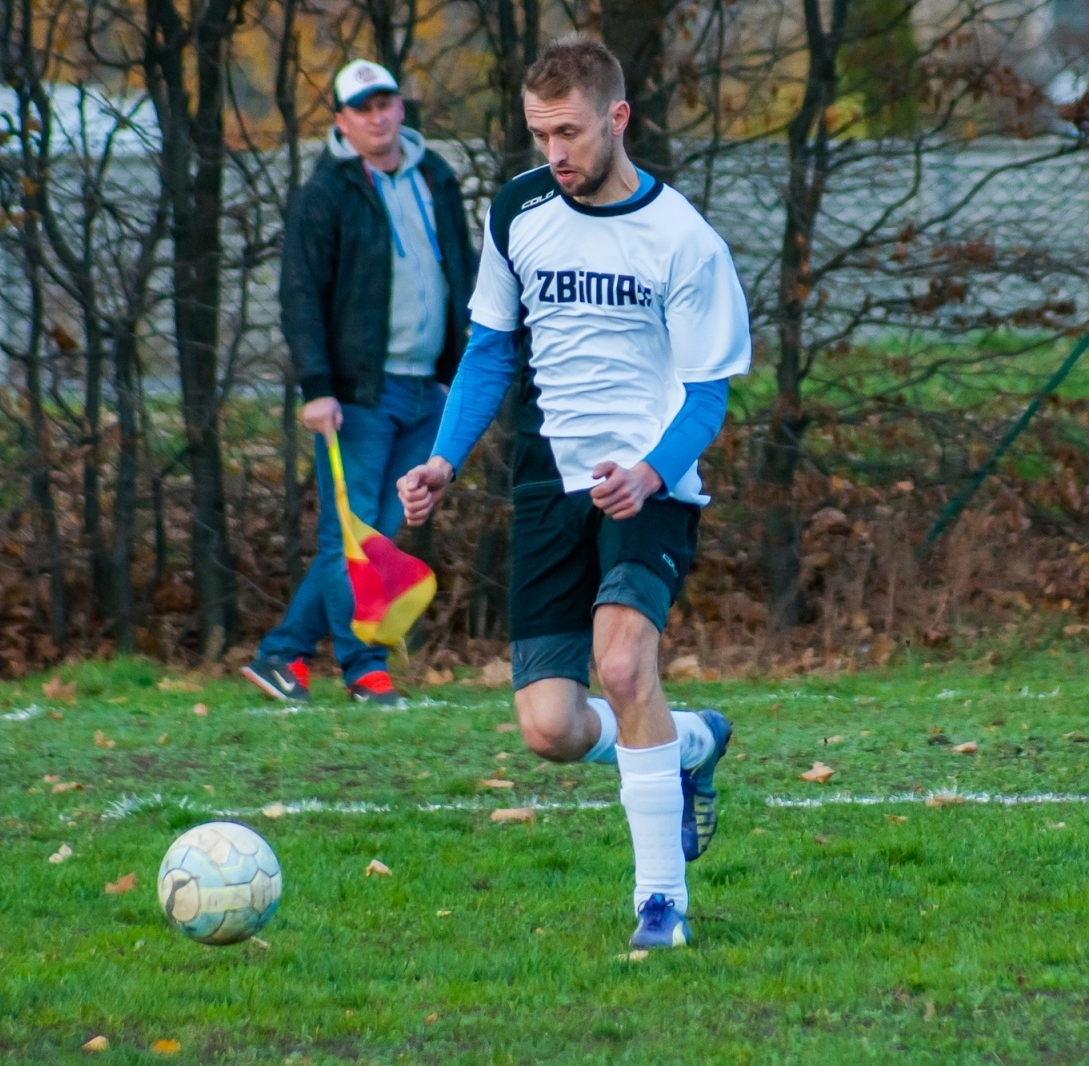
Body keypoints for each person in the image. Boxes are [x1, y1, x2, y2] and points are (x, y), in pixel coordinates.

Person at [397, 34, 750, 949]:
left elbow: (708, 392)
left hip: (649, 485)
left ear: (618, 119)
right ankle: (692, 746)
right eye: (539, 133)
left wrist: (652, 471)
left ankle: (660, 905)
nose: (555, 153)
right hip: (547, 485)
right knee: (550, 728)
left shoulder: (683, 240)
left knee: (626, 669)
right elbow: (489, 349)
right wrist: (443, 459)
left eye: (571, 132)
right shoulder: (517, 210)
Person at [244, 59, 477, 707]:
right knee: (350, 538)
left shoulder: (437, 178)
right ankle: (362, 667)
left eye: (386, 103)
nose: (378, 116)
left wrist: (472, 365)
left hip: (429, 390)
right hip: (356, 396)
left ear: (401, 108)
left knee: (376, 534)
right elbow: (301, 296)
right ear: (342, 121)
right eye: (362, 107)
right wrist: (316, 387)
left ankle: (281, 653)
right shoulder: (327, 193)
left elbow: (464, 267)